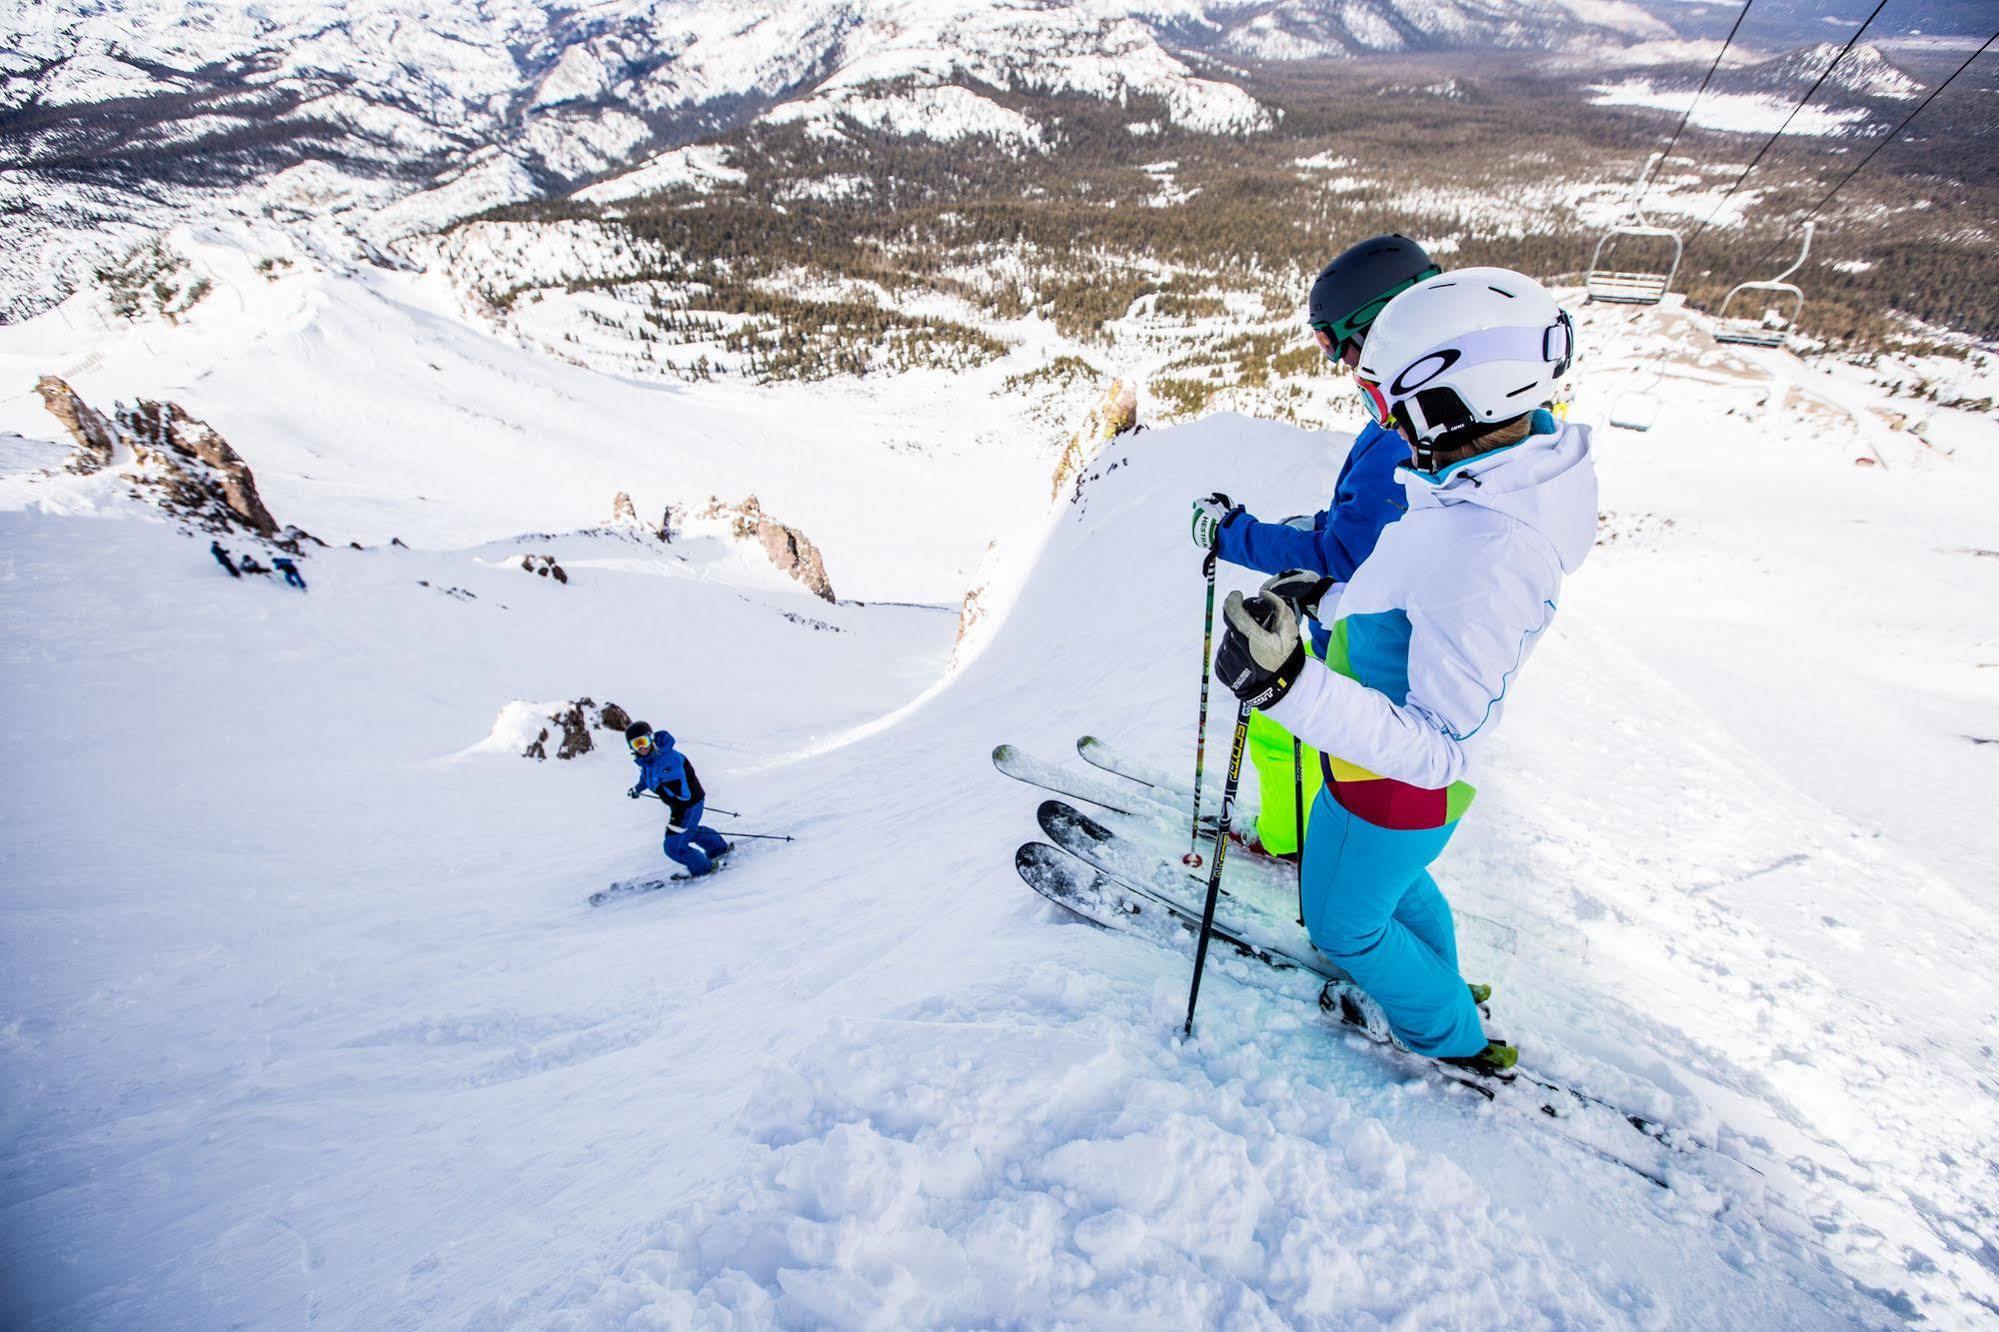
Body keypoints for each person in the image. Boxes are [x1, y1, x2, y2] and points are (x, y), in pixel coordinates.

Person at [1212, 266, 1593, 1075]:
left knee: (1342, 922)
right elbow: (1412, 585)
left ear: (1452, 400)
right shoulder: (1481, 478)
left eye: (1384, 402)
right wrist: (1330, 594)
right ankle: (1442, 985)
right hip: (1366, 765)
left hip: (1395, 784)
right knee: (1384, 888)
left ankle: (1450, 1036)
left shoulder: (1494, 550)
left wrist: (1286, 685)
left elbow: (1441, 745)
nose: (1377, 419)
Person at [1188, 234, 1442, 860]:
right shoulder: (1422, 411)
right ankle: (1298, 837)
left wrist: (1231, 537)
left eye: (1341, 343)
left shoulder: (1399, 432)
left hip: (1369, 644)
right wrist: (1313, 535)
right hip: (1376, 629)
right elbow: (1362, 530)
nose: (1343, 364)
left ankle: (1291, 842)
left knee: (1289, 733)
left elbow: (1341, 555)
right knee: (1296, 738)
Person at [624, 719, 730, 877]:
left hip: (687, 806)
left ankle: (704, 868)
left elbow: (683, 795)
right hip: (684, 805)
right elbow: (647, 777)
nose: (642, 747)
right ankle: (718, 849)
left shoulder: (668, 760)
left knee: (673, 846)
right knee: (688, 832)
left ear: (651, 738)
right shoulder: (649, 760)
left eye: (643, 741)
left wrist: (677, 820)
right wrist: (638, 789)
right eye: (636, 744)